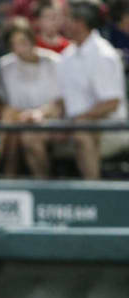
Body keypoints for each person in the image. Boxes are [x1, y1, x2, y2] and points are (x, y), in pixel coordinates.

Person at [56, 0, 128, 179]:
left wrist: (76, 121)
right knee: (30, 136)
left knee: (82, 134)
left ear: (80, 23)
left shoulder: (104, 55)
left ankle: (93, 195)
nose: (62, 22)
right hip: (71, 125)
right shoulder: (67, 55)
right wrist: (41, 115)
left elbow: (111, 103)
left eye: (67, 18)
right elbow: (62, 100)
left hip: (111, 129)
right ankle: (41, 196)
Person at [0, 17, 62, 178]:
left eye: (23, 41)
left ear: (32, 39)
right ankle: (2, 180)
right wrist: (21, 115)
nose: (20, 47)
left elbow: (59, 102)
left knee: (26, 134)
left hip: (49, 118)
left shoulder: (54, 62)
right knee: (11, 128)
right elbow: (3, 102)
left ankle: (43, 185)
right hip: (17, 119)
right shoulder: (4, 66)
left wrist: (39, 114)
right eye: (14, 44)